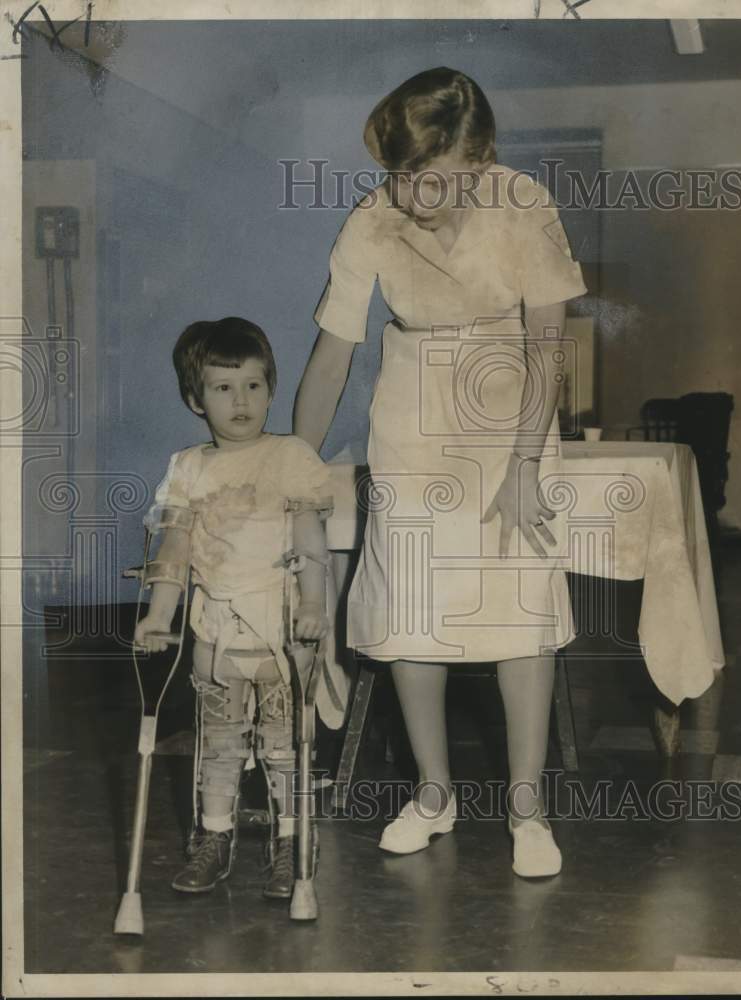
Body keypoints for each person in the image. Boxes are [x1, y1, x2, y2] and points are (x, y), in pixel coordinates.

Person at [294, 68, 586, 877]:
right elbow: (332, 354)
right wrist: (291, 461)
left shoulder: (523, 203)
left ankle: (527, 810)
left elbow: (547, 343)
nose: (412, 191)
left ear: (478, 153)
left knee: (520, 613)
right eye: (399, 172)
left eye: (431, 172)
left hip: (511, 420)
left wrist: (527, 463)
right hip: (413, 422)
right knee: (410, 616)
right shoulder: (372, 219)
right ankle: (433, 794)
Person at [135, 317, 334, 898]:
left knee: (283, 745)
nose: (241, 400)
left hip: (280, 636)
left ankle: (291, 841)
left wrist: (315, 602)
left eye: (253, 385)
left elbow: (309, 541)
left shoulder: (291, 457)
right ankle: (213, 837)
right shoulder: (188, 468)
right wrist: (158, 616)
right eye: (223, 388)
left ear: (271, 389)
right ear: (196, 400)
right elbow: (175, 549)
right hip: (214, 636)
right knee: (218, 745)